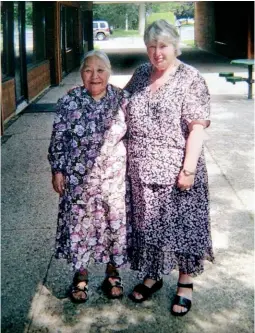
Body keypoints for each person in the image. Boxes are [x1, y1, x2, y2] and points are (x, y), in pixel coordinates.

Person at [124, 19, 214, 316]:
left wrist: (188, 170)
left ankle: (185, 282)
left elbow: (198, 127)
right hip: (141, 169)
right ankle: (153, 275)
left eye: (163, 46)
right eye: (151, 47)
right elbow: (118, 110)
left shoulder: (191, 78)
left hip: (178, 170)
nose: (157, 53)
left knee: (184, 225)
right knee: (149, 224)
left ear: (175, 46)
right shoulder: (139, 75)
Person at [48, 50, 128, 302]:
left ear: (109, 73)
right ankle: (80, 276)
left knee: (112, 226)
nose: (94, 76)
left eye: (100, 70)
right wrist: (57, 170)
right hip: (78, 181)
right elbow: (58, 139)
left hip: (113, 180)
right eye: (88, 70)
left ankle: (112, 274)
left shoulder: (122, 99)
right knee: (79, 227)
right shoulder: (68, 102)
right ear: (80, 74)